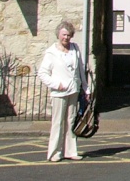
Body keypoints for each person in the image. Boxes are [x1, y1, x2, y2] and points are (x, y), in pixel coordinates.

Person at [38, 21, 88, 161]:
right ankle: (54, 152)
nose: (66, 38)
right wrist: (56, 84)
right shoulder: (51, 52)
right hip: (59, 92)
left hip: (73, 90)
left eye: (69, 35)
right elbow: (42, 73)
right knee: (57, 122)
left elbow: (80, 70)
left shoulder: (75, 48)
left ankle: (71, 151)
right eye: (64, 35)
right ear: (58, 35)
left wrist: (85, 88)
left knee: (71, 121)